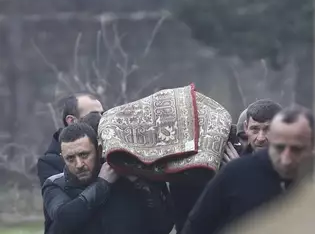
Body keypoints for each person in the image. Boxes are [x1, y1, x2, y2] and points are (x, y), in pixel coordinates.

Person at [182, 105, 315, 234]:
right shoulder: (234, 173)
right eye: (279, 148)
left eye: (296, 149)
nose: (286, 159)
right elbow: (197, 226)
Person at [41, 122, 173, 234]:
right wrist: (102, 184)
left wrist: (139, 183)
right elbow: (65, 219)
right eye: (70, 158)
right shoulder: (55, 185)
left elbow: (162, 226)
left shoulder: (124, 180)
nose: (79, 164)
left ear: (99, 150)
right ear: (62, 158)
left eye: (84, 155)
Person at [170, 101, 281, 232]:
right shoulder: (228, 171)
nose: (260, 138)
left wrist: (244, 173)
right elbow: (199, 220)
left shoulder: (291, 166)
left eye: (268, 129)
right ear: (246, 128)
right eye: (254, 129)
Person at [37, 93, 104, 186]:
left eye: (103, 114)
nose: (101, 120)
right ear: (71, 121)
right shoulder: (49, 163)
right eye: (94, 116)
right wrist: (103, 182)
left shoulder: (108, 146)